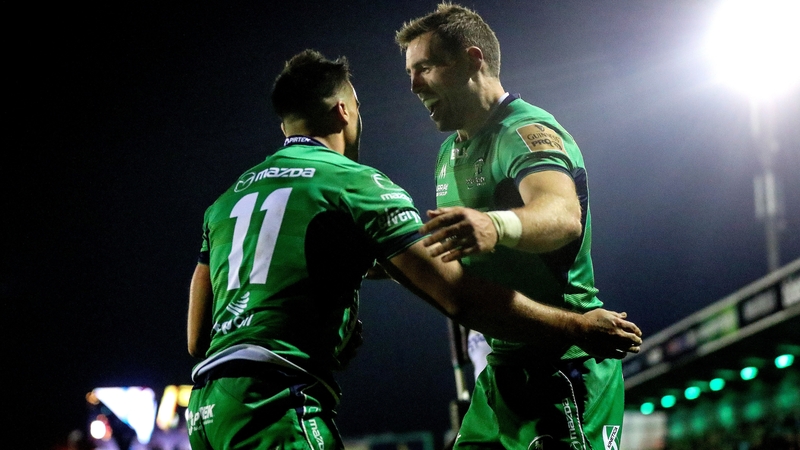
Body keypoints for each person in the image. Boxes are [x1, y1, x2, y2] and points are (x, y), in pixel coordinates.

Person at [186, 49, 642, 450]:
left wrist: (324, 327)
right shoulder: (356, 185)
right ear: (344, 111)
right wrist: (577, 326)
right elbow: (458, 297)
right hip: (277, 403)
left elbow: (197, 338)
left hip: (207, 410)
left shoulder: (225, 201)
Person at [396, 4, 635, 449]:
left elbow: (561, 216)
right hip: (502, 369)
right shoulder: (449, 153)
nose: (412, 85)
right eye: (410, 72)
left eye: (425, 67)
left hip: (563, 363)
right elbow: (454, 250)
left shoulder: (523, 130)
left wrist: (496, 224)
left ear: (473, 60)